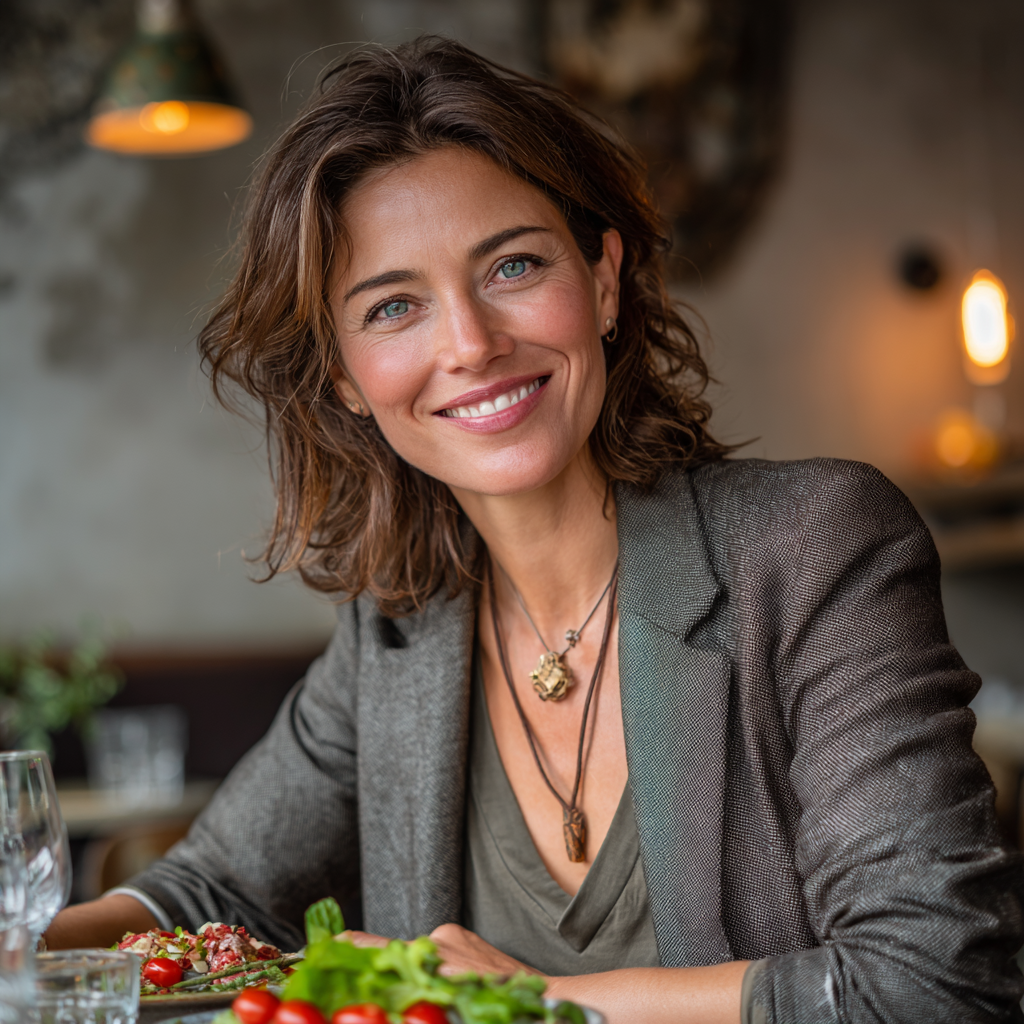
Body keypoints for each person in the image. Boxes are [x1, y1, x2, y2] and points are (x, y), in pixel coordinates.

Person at [48, 37, 1024, 1024]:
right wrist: (24, 942)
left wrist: (539, 998)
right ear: (343, 373)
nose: (470, 344)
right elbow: (209, 893)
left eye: (512, 264)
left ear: (601, 280)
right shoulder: (399, 630)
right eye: (394, 306)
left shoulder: (815, 546)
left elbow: (933, 982)